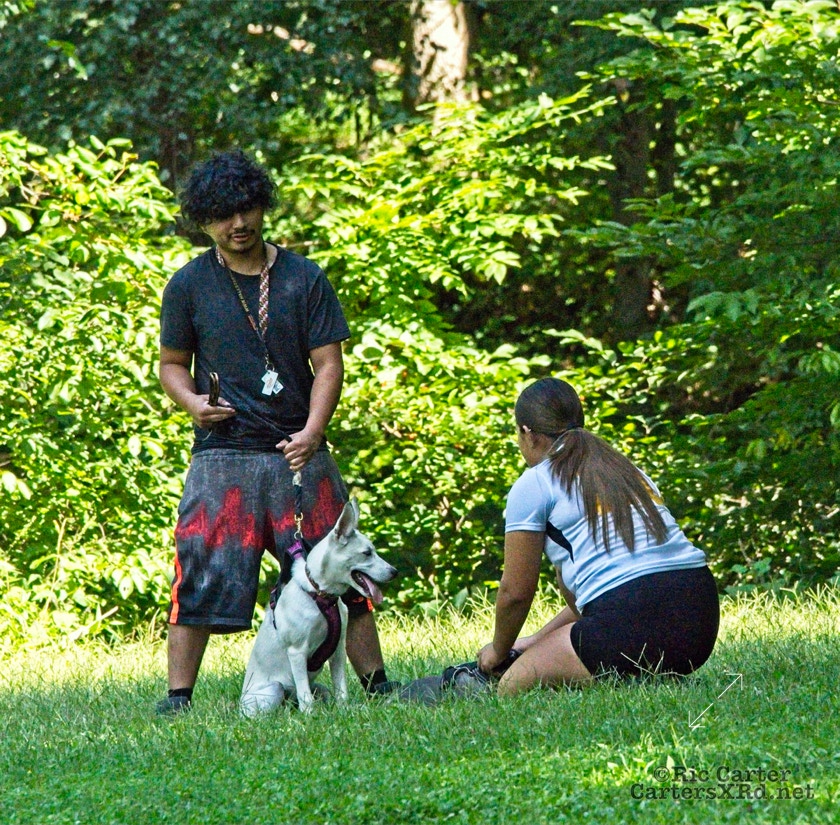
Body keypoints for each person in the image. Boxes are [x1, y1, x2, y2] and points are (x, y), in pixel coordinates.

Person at [156, 150, 397, 714]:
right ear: (204, 221)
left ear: (263, 206)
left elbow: (329, 364)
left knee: (341, 563)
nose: (238, 224)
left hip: (299, 451)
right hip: (222, 455)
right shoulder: (188, 285)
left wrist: (313, 431)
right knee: (198, 571)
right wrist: (192, 402)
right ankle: (177, 697)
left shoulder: (303, 277)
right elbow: (171, 364)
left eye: (247, 209)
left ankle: (378, 685)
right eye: (223, 215)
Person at [474, 377, 719, 695]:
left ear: (527, 433)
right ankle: (651, 676)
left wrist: (498, 650)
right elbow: (606, 593)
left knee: (510, 686)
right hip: (699, 621)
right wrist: (534, 641)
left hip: (629, 621)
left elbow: (515, 593)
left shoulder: (535, 482)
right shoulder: (627, 470)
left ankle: (626, 670)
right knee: (551, 653)